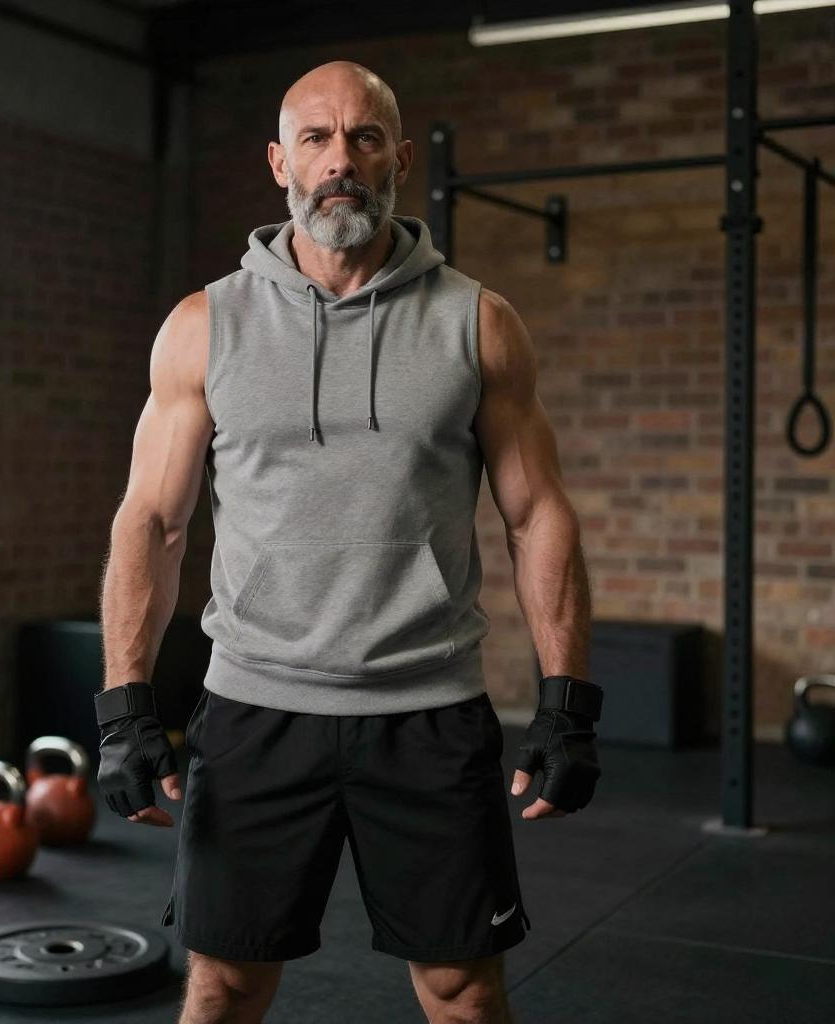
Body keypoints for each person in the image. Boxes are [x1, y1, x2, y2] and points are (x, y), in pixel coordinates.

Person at [93, 60, 602, 1024]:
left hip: (429, 714)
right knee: (224, 983)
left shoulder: (477, 322)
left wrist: (568, 702)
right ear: (280, 162)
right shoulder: (206, 325)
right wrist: (125, 706)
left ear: (400, 158)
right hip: (253, 711)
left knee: (460, 991)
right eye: (318, 140)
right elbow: (151, 522)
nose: (342, 161)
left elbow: (538, 515)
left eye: (365, 137)